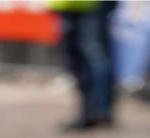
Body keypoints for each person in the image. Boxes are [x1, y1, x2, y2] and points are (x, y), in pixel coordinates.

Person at [47, 0, 117, 130]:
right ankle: (90, 110)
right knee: (81, 57)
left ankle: (96, 110)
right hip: (70, 4)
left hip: (92, 4)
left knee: (93, 55)